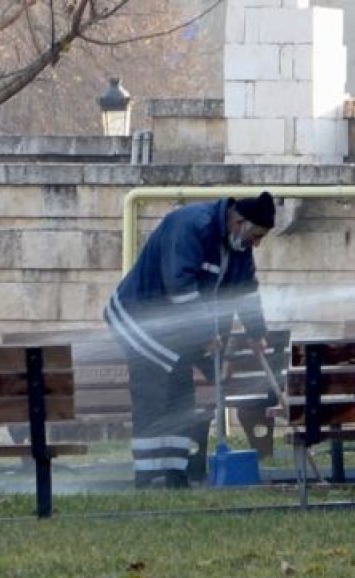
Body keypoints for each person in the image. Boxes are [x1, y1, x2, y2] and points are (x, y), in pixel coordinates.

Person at [104, 192, 275, 488]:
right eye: (256, 236)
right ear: (238, 222)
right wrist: (206, 333)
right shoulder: (190, 226)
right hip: (141, 319)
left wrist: (256, 332)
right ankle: (147, 478)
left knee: (181, 397)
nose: (257, 244)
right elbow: (179, 287)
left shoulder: (238, 245)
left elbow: (244, 290)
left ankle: (174, 475)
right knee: (154, 396)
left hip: (179, 328)